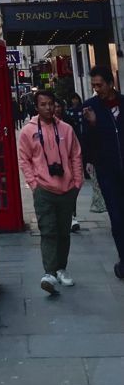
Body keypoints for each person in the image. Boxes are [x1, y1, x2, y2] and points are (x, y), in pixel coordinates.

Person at [18, 87, 83, 295]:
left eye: (50, 104)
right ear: (36, 107)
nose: (47, 108)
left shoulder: (66, 129)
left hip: (67, 188)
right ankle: (49, 273)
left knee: (64, 232)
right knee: (48, 231)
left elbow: (76, 155)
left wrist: (77, 182)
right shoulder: (28, 131)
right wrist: (33, 184)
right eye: (43, 104)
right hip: (43, 189)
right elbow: (24, 159)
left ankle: (61, 269)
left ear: (56, 105)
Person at [82, 65, 124, 279]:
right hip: (107, 171)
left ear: (111, 83)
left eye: (100, 85)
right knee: (117, 218)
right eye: (94, 85)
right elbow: (87, 143)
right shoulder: (90, 108)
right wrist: (92, 124)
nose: (96, 89)